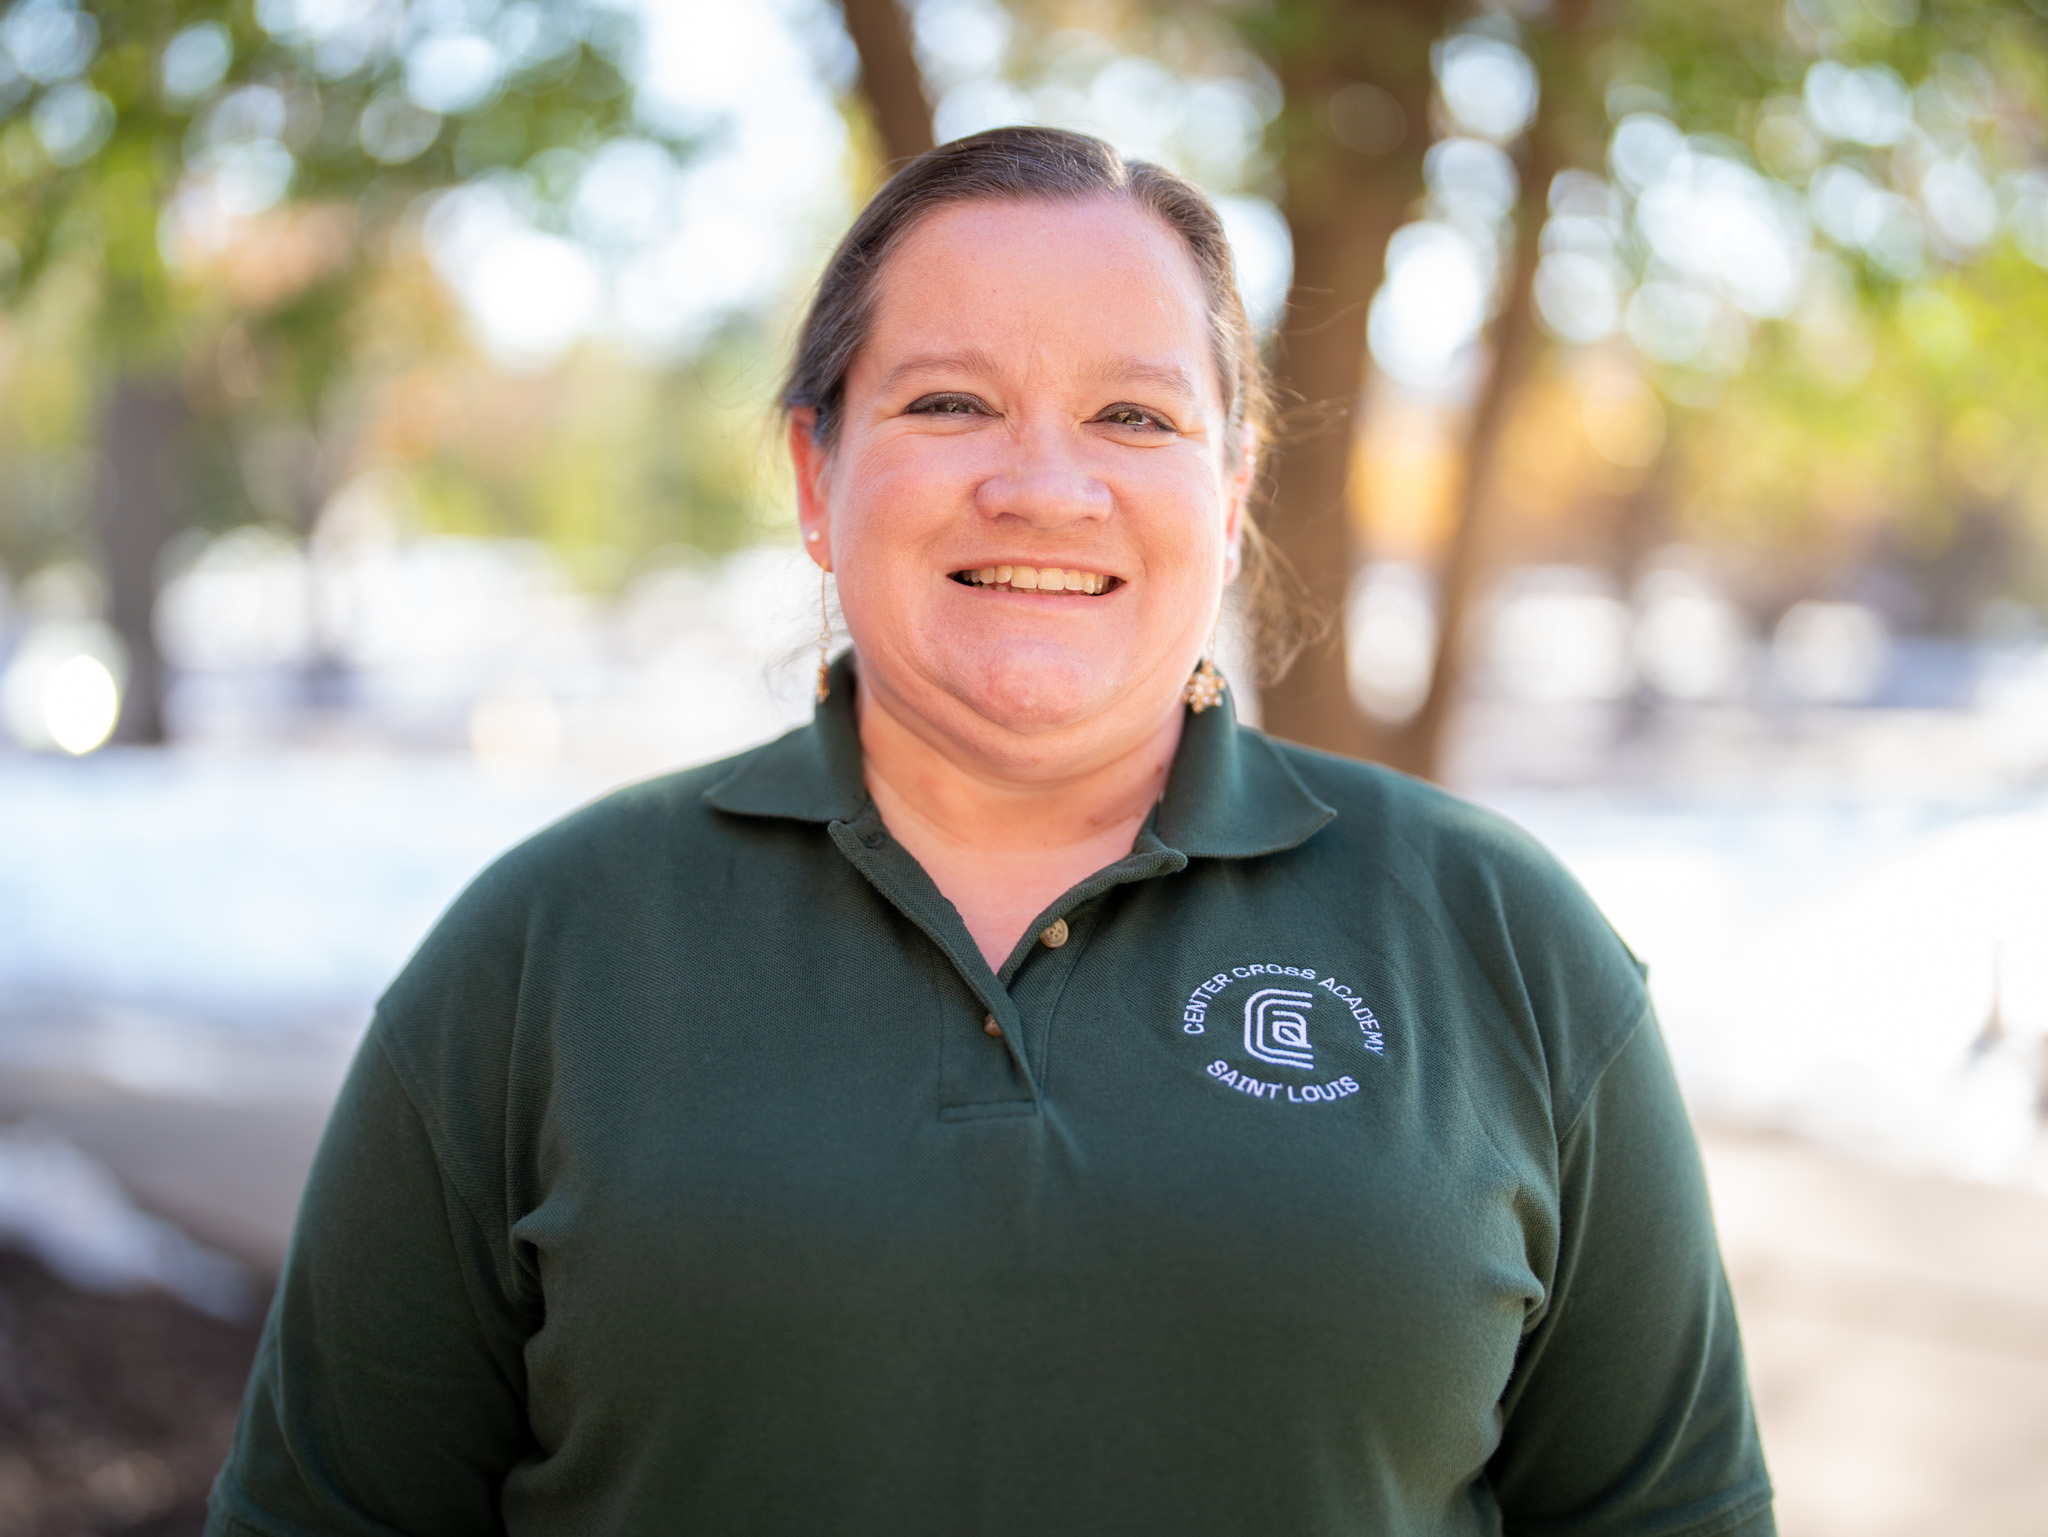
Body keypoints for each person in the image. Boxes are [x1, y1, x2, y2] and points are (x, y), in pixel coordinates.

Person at [208, 127, 1774, 1537]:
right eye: (951, 401)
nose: (1044, 485)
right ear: (821, 475)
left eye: (1134, 415)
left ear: (1231, 491)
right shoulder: (544, 948)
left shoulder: (1503, 940)